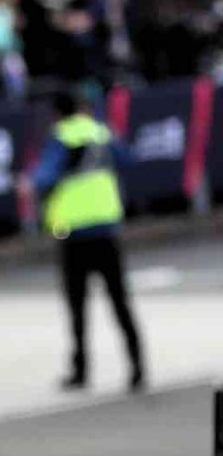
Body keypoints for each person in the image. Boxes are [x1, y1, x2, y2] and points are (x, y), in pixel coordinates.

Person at [33, 88, 146, 394]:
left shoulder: (61, 137)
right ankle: (138, 367)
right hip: (106, 229)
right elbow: (127, 159)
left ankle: (81, 370)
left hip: (74, 234)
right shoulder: (101, 132)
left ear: (57, 113)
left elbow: (43, 179)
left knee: (77, 307)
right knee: (120, 302)